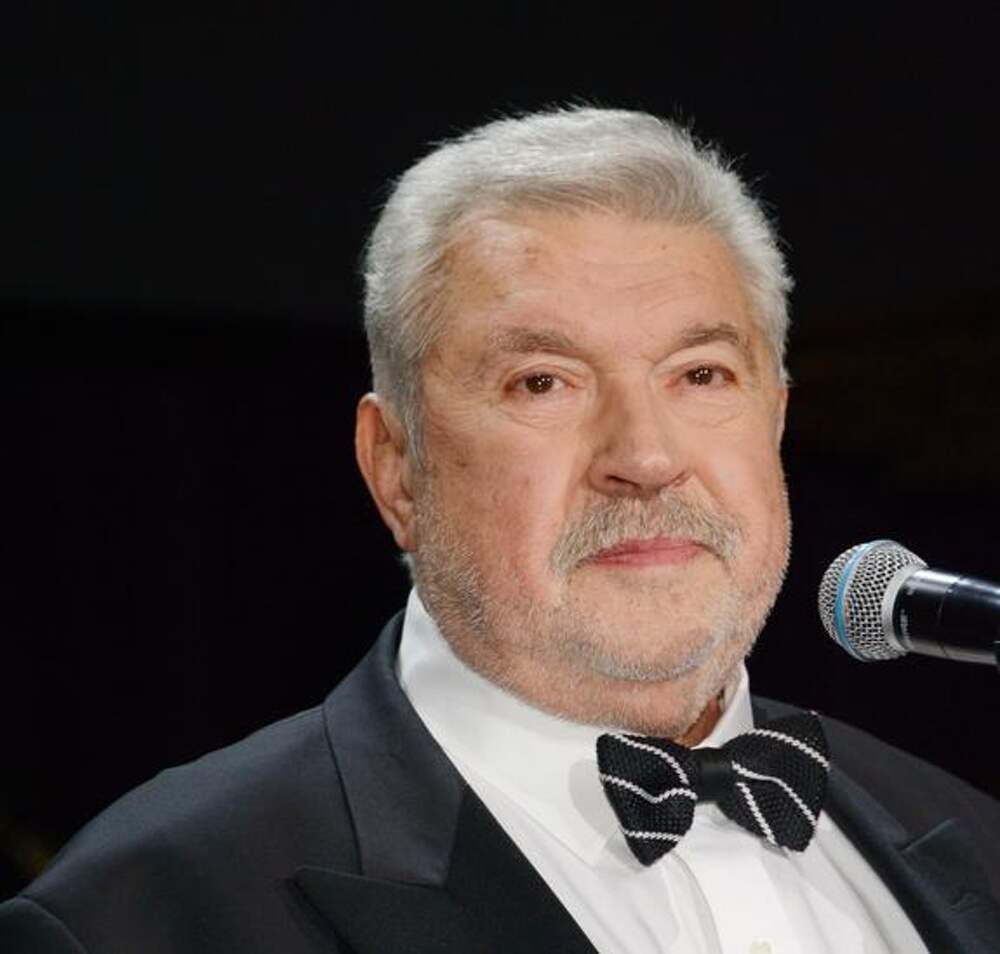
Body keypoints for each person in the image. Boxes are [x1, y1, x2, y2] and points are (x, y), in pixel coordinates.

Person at [2, 106, 999, 953]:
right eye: (543, 383)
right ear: (397, 468)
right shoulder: (138, 919)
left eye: (700, 374)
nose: (646, 456)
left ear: (774, 422)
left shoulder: (973, 843)